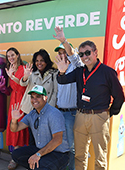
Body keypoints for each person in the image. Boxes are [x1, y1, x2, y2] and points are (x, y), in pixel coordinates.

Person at [56, 36, 124, 169]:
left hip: (99, 117)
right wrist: (62, 71)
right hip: (80, 116)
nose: (84, 56)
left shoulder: (107, 72)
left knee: (100, 157)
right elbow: (62, 80)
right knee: (79, 155)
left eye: (88, 52)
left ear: (95, 52)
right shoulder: (79, 71)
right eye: (81, 54)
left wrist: (109, 113)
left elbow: (119, 97)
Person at [10, 85, 70, 170]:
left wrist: (38, 155)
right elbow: (15, 128)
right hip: (41, 151)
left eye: (38, 97)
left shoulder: (54, 113)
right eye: (32, 97)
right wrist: (14, 120)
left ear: (45, 98)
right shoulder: (32, 114)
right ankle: (36, 166)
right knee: (16, 154)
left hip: (58, 154)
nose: (34, 100)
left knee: (40, 166)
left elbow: (57, 140)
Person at [53, 26, 84, 170]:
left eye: (64, 52)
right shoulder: (58, 70)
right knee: (60, 145)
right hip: (59, 112)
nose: (62, 55)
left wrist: (64, 41)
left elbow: (73, 56)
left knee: (71, 147)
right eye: (60, 53)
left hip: (72, 114)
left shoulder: (77, 66)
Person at [20, 49, 58, 145]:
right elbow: (23, 83)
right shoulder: (32, 73)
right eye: (37, 61)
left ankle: (42, 158)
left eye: (41, 60)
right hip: (31, 109)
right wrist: (25, 76)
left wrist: (49, 109)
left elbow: (55, 92)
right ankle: (32, 159)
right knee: (32, 137)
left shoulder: (54, 73)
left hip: (45, 110)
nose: (39, 63)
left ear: (46, 61)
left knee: (44, 137)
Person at [3, 47, 29, 170]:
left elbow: (23, 86)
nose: (11, 58)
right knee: (13, 127)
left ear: (18, 55)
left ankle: (17, 158)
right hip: (14, 100)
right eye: (8, 56)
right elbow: (11, 89)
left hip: (22, 101)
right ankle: (15, 157)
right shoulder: (10, 69)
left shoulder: (24, 68)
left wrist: (12, 76)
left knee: (21, 128)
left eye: (12, 55)